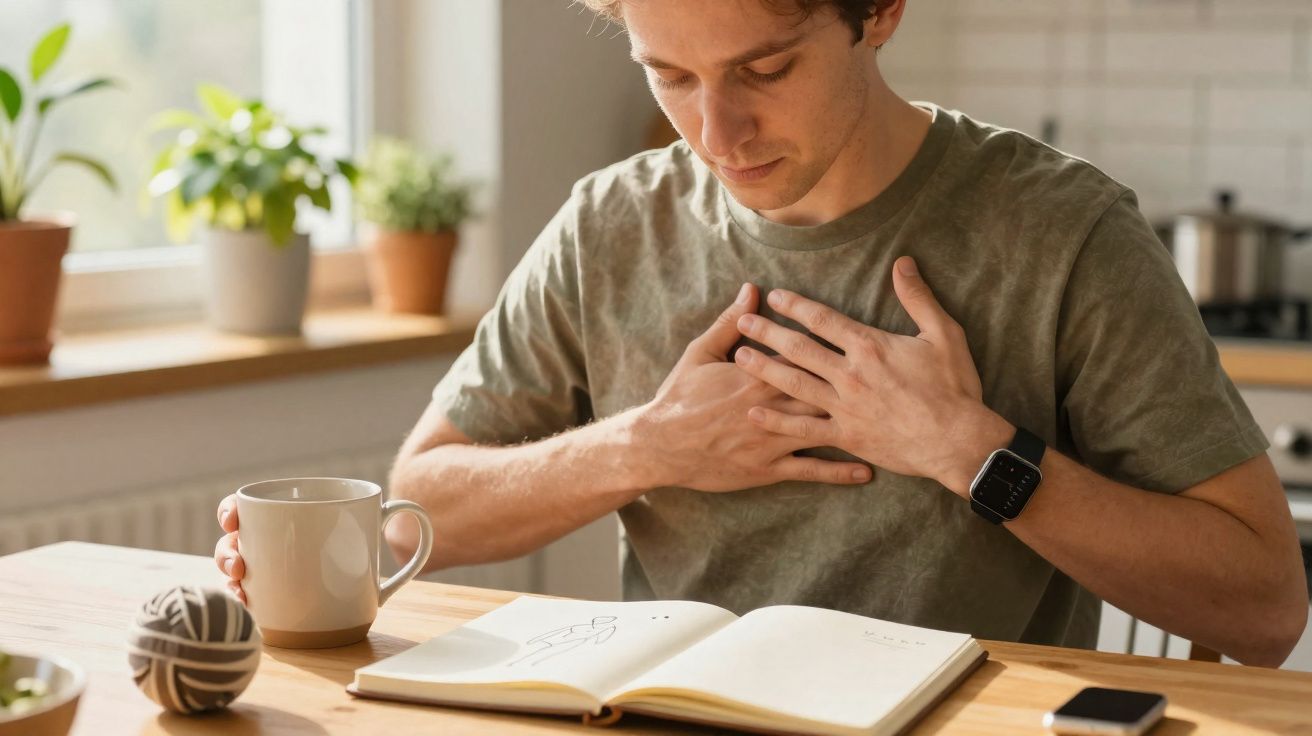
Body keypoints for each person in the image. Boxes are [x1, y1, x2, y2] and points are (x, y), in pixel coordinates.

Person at [215, 0, 1308, 666]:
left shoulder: (1064, 233)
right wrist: (645, 446)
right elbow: (422, 507)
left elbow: (1264, 606)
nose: (716, 131)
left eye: (765, 69)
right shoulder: (611, 224)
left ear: (878, 11)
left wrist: (971, 452)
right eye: (670, 75)